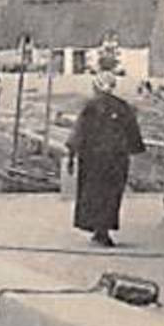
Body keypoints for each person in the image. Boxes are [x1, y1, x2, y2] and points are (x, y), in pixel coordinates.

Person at [66, 69, 145, 247]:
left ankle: (99, 230)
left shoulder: (90, 106)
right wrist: (133, 154)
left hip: (92, 159)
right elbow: (133, 136)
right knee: (111, 194)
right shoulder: (124, 107)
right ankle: (103, 230)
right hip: (117, 160)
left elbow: (79, 132)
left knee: (93, 193)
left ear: (96, 87)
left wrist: (71, 156)